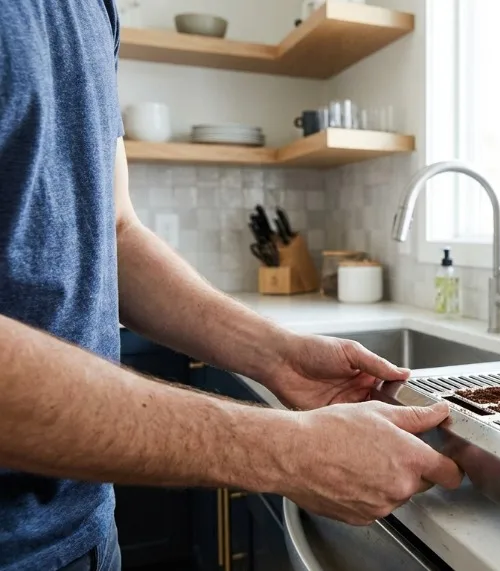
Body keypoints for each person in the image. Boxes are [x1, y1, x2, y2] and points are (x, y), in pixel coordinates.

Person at [0, 2, 463, 570]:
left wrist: (280, 355)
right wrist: (288, 451)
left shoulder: (96, 10)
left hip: (86, 528)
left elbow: (114, 232)